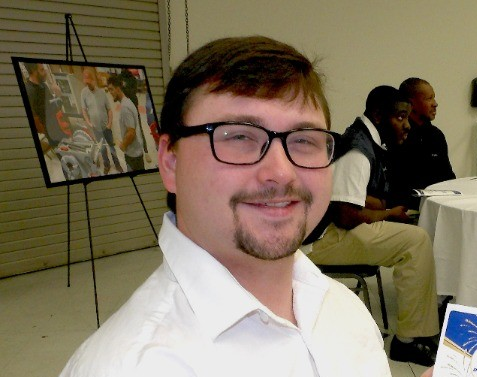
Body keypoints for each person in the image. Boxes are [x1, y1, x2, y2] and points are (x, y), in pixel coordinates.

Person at [59, 36, 432, 377]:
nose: (281, 173)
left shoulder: (339, 305)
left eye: (303, 139)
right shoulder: (132, 367)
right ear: (171, 162)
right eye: (239, 136)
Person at [306, 86, 439, 367]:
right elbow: (345, 216)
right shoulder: (359, 151)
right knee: (415, 242)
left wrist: (379, 206)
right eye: (400, 117)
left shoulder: (361, 138)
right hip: (322, 240)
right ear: (378, 116)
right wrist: (388, 213)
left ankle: (420, 332)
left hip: (330, 229)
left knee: (416, 238)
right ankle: (407, 342)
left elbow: (342, 191)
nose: (406, 125)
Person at [387, 77, 455, 210]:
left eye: (434, 98)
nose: (435, 104)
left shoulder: (436, 135)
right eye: (429, 99)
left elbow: (448, 176)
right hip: (405, 209)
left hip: (438, 206)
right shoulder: (396, 136)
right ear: (411, 104)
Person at [81, 68, 124, 175]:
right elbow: (84, 110)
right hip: (96, 128)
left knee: (111, 147)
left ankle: (117, 164)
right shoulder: (83, 93)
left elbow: (109, 109)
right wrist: (89, 122)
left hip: (106, 126)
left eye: (89, 82)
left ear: (93, 80)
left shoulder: (101, 92)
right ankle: (107, 165)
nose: (88, 85)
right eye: (86, 82)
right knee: (102, 149)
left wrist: (109, 124)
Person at [23, 62, 71, 151]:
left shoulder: (43, 85)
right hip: (52, 135)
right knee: (65, 159)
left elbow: (55, 107)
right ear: (34, 71)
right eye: (42, 70)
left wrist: (58, 96)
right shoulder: (29, 92)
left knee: (72, 155)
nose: (45, 72)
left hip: (59, 129)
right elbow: (36, 122)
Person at [106, 74, 144, 172]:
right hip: (135, 151)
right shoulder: (127, 102)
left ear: (118, 88)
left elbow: (131, 133)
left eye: (111, 89)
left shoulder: (125, 108)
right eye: (109, 90)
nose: (110, 93)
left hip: (133, 155)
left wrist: (123, 145)